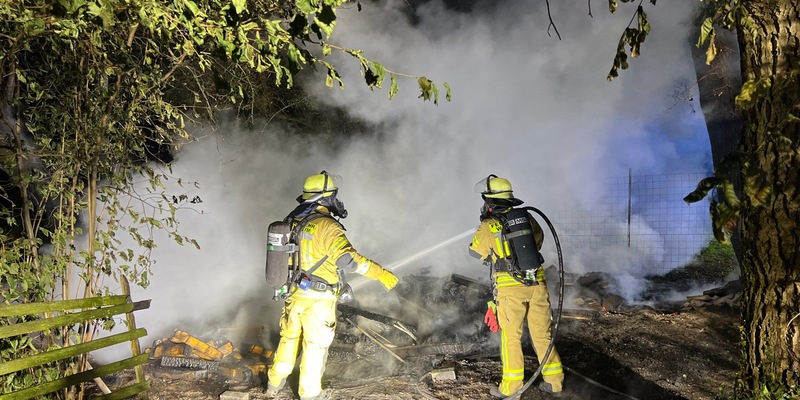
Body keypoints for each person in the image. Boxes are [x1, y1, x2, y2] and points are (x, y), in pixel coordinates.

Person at [265, 171, 400, 400]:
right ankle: (311, 394)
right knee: (315, 347)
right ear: (325, 198)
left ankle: (274, 384)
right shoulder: (327, 226)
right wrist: (382, 274)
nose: (336, 200)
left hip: (294, 295)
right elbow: (348, 260)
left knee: (288, 340)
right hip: (319, 301)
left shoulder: (293, 221)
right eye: (334, 195)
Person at [468, 175, 564, 398]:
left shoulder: (489, 225)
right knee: (542, 334)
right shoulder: (527, 217)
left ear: (490, 201)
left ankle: (511, 389)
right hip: (537, 282)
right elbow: (538, 241)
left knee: (511, 337)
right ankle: (555, 382)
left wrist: (487, 230)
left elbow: (475, 251)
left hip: (511, 289)